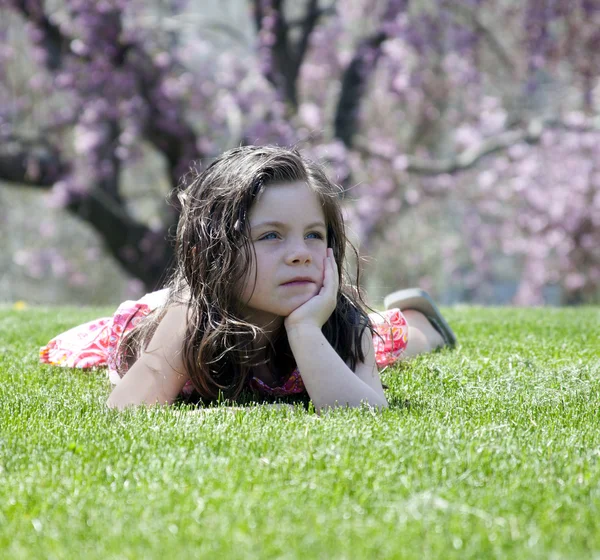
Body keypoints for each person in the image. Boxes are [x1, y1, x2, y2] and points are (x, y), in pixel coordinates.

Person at [40, 145, 456, 413]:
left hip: (321, 321)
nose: (299, 253)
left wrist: (306, 329)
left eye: (314, 235)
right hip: (181, 311)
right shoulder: (188, 321)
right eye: (271, 235)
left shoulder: (341, 321)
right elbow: (125, 411)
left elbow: (367, 414)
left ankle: (421, 321)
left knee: (388, 341)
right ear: (213, 253)